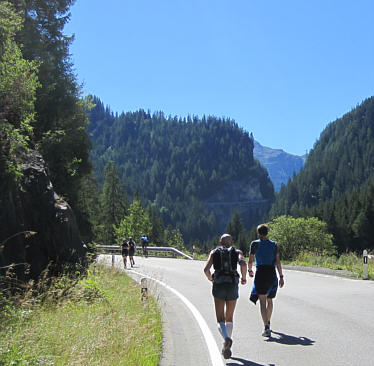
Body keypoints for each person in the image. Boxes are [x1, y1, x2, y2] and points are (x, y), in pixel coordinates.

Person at [204, 234, 247, 359]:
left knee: (220, 319)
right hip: (232, 284)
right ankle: (227, 344)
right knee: (229, 317)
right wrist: (243, 278)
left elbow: (206, 269)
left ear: (220, 242)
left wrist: (211, 278)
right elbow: (243, 264)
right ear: (231, 242)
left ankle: (226, 339)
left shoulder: (214, 252)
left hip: (219, 285)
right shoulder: (237, 252)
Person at [248, 224, 284, 337]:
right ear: (267, 232)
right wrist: (281, 276)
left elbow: (250, 260)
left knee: (262, 301)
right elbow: (278, 262)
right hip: (272, 273)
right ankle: (268, 322)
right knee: (270, 300)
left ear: (258, 233)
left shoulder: (255, 244)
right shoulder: (274, 245)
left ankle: (266, 327)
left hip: (261, 273)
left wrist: (249, 270)